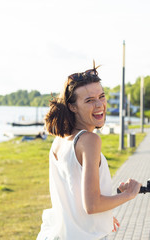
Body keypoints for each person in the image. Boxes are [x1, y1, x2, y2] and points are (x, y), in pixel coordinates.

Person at [37, 63, 141, 240]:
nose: (99, 105)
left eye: (101, 96)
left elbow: (72, 197)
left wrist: (103, 217)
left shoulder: (59, 140)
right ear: (72, 106)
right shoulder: (89, 140)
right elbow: (92, 205)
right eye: (89, 100)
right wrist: (128, 195)